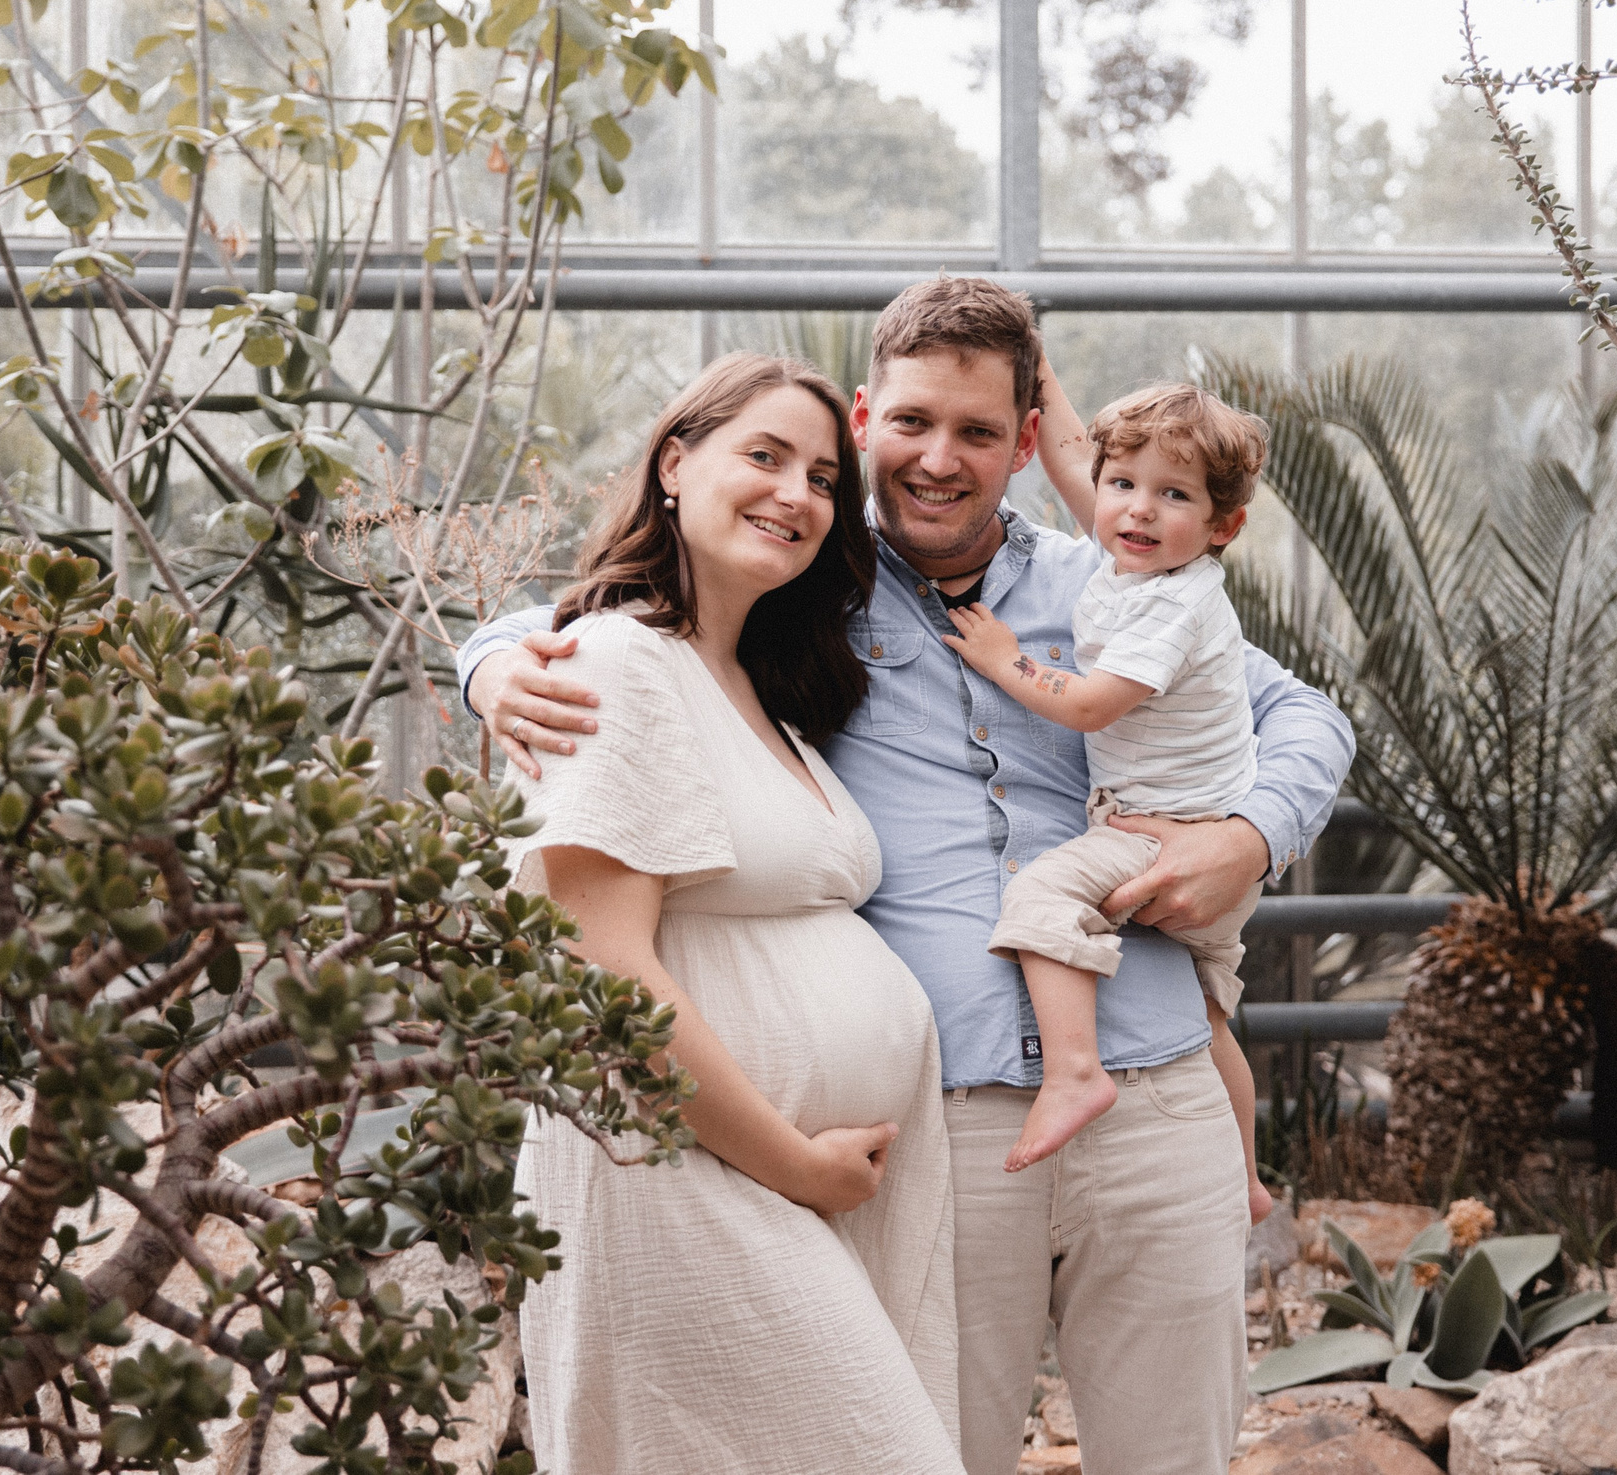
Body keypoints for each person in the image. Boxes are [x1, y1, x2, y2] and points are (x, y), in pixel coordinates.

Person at [466, 279, 1354, 1475]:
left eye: (977, 432)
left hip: (1158, 1095)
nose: (940, 460)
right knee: (935, 1451)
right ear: (865, 418)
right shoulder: (799, 591)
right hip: (945, 1125)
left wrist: (1247, 835)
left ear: (1025, 444)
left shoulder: (1116, 582)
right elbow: (626, 622)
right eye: (912, 423)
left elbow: (1305, 716)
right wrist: (489, 662)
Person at [497, 352, 964, 1474]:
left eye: (822, 477)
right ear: (673, 463)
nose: (795, 494)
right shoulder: (617, 660)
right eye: (764, 455)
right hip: (681, 1177)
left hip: (780, 1186)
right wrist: (798, 1166)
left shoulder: (757, 684)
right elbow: (601, 972)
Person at [940, 381, 1275, 1189]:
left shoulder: (1172, 602)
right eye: (1122, 484)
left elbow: (1090, 705)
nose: (1139, 509)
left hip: (1166, 835)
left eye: (1174, 494)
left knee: (1041, 894)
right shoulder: (1138, 562)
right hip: (1196, 830)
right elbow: (1074, 459)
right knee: (1209, 1019)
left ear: (1223, 526)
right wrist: (1038, 372)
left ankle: (1074, 1072)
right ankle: (1250, 1179)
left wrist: (1006, 660)